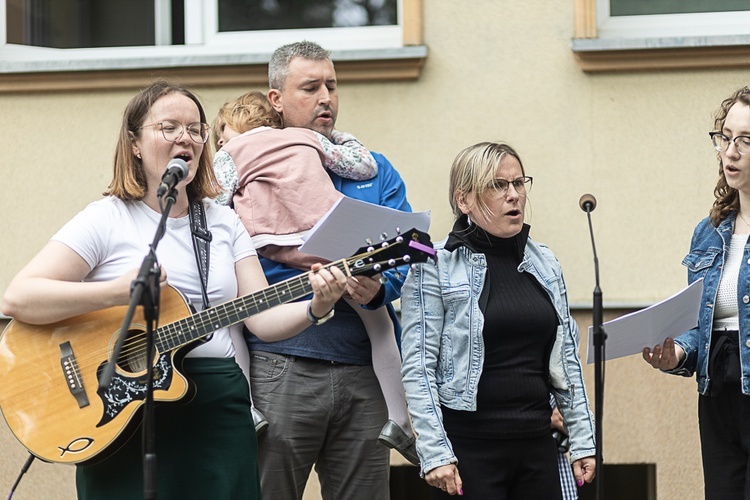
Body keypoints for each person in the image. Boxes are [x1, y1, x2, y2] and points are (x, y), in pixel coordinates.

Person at [0, 80, 347, 500]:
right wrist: (119, 293)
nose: (186, 137)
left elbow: (261, 319)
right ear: (134, 144)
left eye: (196, 129)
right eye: (169, 127)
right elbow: (19, 298)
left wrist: (317, 305)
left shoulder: (222, 222)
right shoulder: (106, 219)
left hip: (217, 406)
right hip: (121, 410)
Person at [242, 40, 414, 499]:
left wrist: (375, 286)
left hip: (364, 370)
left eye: (332, 86)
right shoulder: (254, 166)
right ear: (276, 99)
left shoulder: (374, 171)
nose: (326, 98)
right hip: (281, 366)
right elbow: (237, 262)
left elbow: (406, 256)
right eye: (311, 87)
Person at [211, 91, 417, 460]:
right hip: (330, 238)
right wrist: (339, 137)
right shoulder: (304, 137)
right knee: (380, 322)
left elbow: (214, 204)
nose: (221, 144)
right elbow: (362, 166)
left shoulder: (230, 154)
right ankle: (400, 419)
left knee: (233, 322)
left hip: (270, 241)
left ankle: (248, 408)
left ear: (230, 132)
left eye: (220, 136)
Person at [400, 141, 597, 498]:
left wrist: (582, 440)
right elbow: (418, 367)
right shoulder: (434, 265)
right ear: (464, 200)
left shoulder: (546, 262)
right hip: (469, 453)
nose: (514, 196)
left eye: (519, 183)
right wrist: (434, 453)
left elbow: (567, 359)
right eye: (498, 185)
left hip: (536, 447)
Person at [643, 85, 750, 499]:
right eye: (725, 137)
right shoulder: (708, 233)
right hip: (718, 395)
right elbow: (700, 325)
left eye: (744, 140)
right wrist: (679, 353)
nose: (730, 151)